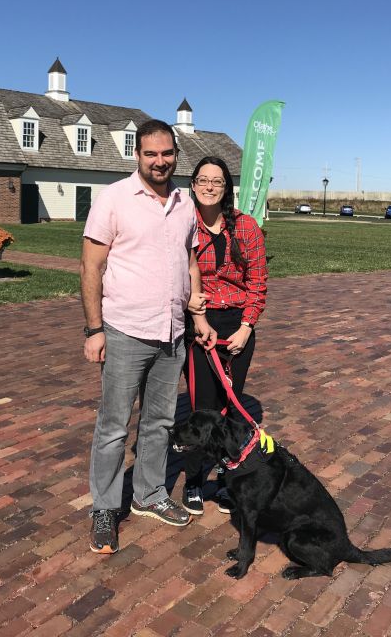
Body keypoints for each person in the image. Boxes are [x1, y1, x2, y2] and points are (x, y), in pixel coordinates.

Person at [81, 119, 217, 555]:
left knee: (159, 422)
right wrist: (94, 329)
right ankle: (105, 508)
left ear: (176, 154)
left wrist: (196, 310)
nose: (160, 161)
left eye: (167, 153)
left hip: (172, 333)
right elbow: (91, 267)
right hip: (125, 330)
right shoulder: (114, 199)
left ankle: (149, 493)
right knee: (113, 427)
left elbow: (190, 261)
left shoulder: (183, 203)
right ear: (137, 155)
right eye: (151, 154)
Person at [182, 156, 268, 517]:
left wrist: (246, 328)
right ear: (193, 185)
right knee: (203, 408)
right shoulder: (184, 223)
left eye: (217, 181)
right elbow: (175, 274)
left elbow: (257, 283)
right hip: (200, 324)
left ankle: (227, 477)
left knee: (232, 406)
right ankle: (193, 480)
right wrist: (194, 311)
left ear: (226, 188)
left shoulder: (246, 227)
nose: (209, 186)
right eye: (203, 180)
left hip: (237, 324)